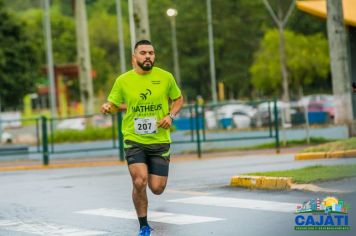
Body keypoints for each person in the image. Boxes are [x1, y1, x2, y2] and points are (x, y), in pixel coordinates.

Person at [101, 39, 184, 236]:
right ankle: (143, 226)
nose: (148, 56)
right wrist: (107, 107)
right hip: (134, 139)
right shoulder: (123, 80)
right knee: (140, 181)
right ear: (134, 57)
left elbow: (178, 99)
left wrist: (170, 116)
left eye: (151, 53)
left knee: (157, 188)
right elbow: (112, 103)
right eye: (143, 53)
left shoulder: (165, 77)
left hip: (160, 140)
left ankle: (146, 205)